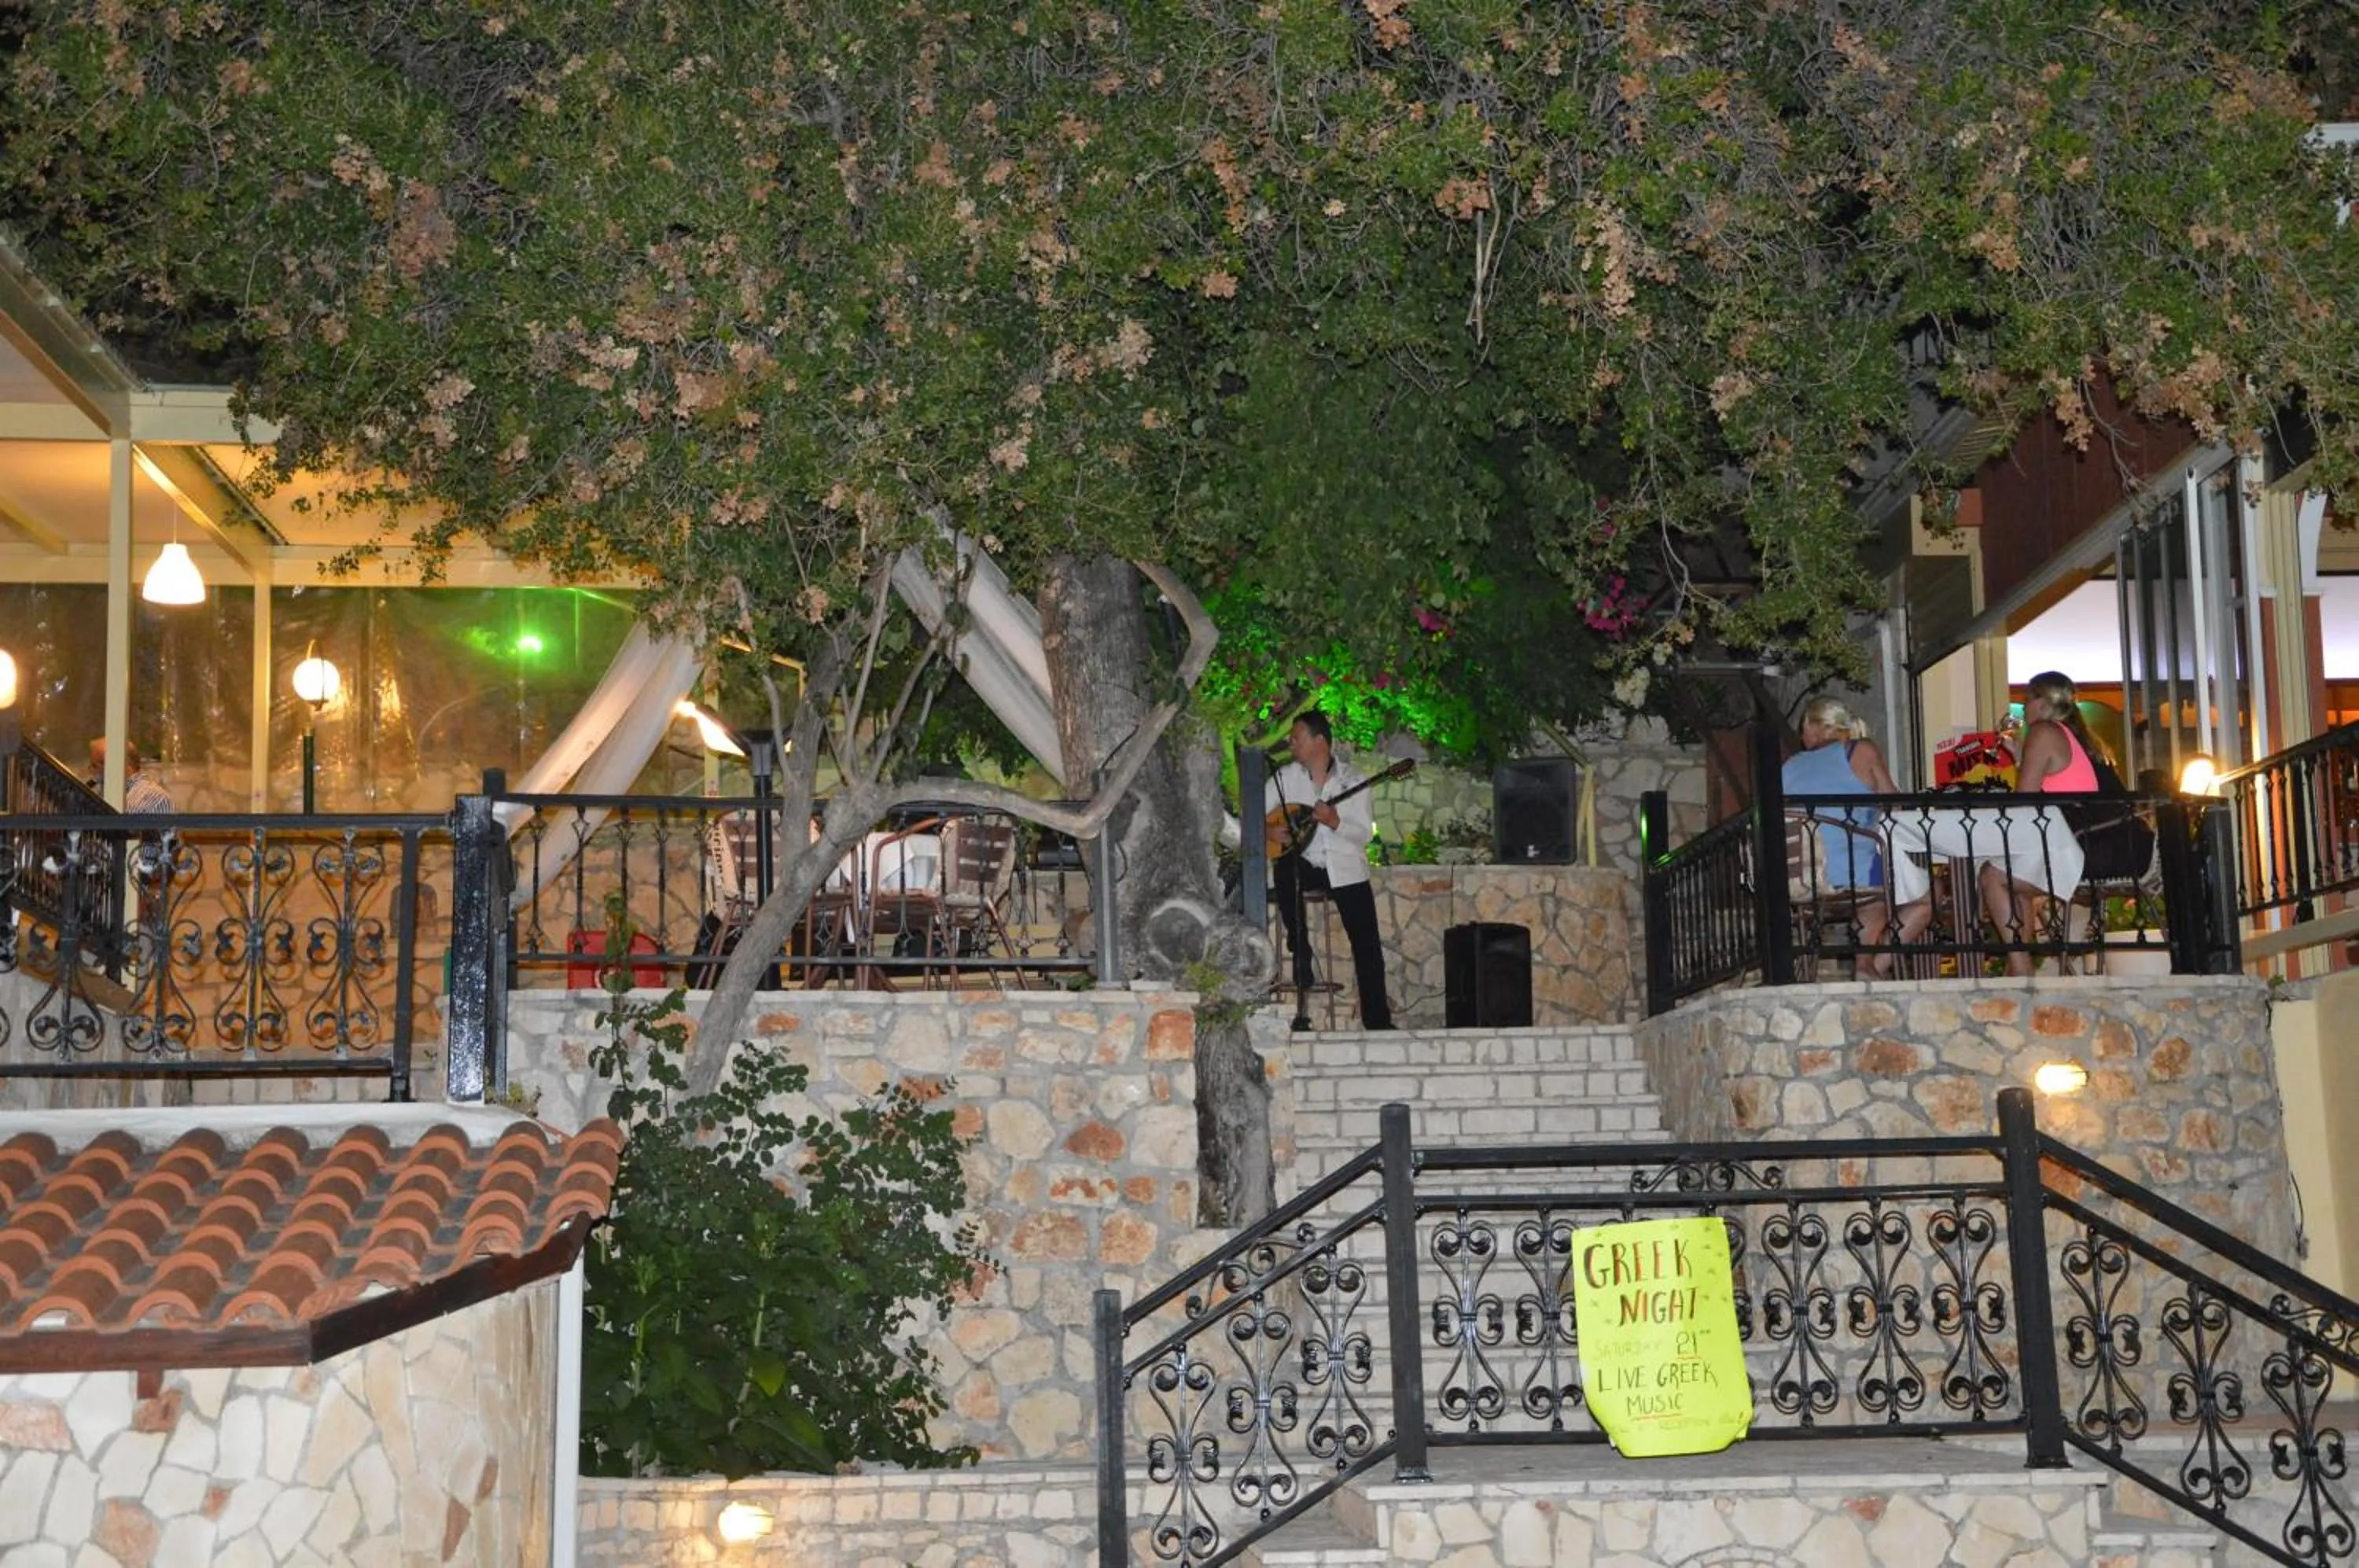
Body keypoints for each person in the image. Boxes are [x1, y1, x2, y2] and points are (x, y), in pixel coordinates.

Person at [1886, 671, 2093, 977]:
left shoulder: (2045, 731)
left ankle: (2020, 968)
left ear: (2042, 702)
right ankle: (2017, 967)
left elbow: (2024, 797)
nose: (2023, 710)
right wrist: (2019, 757)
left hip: (2069, 843)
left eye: (2026, 702)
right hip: (2074, 835)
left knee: (1992, 875)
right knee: (2005, 870)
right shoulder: (2065, 733)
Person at [1266, 712, 1395, 1031]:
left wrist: (1335, 821)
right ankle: (1301, 950)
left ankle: (1378, 1022)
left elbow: (1363, 834)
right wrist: (1268, 833)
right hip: (1305, 865)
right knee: (1285, 866)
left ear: (1319, 741)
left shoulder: (1353, 780)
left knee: (1366, 943)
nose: (1291, 743)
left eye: (1297, 737)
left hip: (1346, 868)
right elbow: (1252, 815)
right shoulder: (1285, 779)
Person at [1781, 697, 1900, 967]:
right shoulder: (1862, 751)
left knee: (1880, 881)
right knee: (1928, 893)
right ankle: (1868, 966)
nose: (1802, 737)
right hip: (1852, 871)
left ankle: (1871, 968)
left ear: (1813, 727)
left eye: (1803, 730)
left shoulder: (1789, 767)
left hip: (1804, 876)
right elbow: (1895, 805)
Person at [88, 737, 174, 814]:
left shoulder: (155, 798)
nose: (92, 772)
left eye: (95, 766)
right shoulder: (101, 796)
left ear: (120, 764)